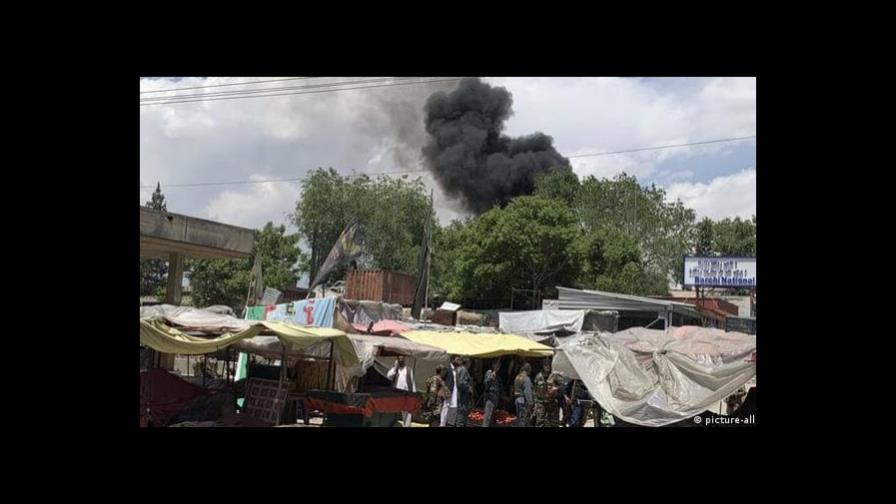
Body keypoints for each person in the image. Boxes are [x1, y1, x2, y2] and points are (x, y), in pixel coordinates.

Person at [386, 355, 416, 427]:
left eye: (402, 359)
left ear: (404, 360)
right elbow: (388, 376)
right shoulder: (395, 370)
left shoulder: (409, 370)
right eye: (399, 359)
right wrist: (395, 367)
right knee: (394, 411)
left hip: (406, 394)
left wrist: (414, 395)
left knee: (407, 413)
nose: (401, 361)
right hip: (396, 394)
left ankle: (407, 426)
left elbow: (412, 382)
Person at [533, 360, 564, 427]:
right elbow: (535, 390)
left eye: (549, 365)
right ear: (543, 366)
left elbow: (563, 385)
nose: (547, 367)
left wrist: (556, 388)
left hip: (552, 402)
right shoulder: (538, 376)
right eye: (546, 365)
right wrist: (535, 403)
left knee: (554, 421)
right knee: (540, 421)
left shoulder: (554, 375)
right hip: (541, 402)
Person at [454, 357, 474, 427]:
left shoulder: (460, 369)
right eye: (470, 362)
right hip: (463, 396)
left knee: (461, 413)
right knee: (461, 414)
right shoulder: (463, 370)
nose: (471, 364)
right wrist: (469, 388)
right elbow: (462, 382)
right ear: (467, 363)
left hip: (461, 395)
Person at [440, 355, 459, 427]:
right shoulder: (447, 368)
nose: (458, 361)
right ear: (452, 360)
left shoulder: (457, 370)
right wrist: (445, 389)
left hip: (455, 393)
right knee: (446, 410)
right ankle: (442, 424)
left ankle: (450, 424)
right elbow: (441, 379)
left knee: (453, 409)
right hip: (448, 392)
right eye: (457, 360)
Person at [482, 359, 502, 427]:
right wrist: (491, 377)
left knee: (492, 418)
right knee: (487, 417)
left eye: (499, 365)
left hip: (495, 398)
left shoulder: (498, 375)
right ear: (493, 365)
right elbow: (485, 384)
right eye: (497, 364)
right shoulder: (489, 372)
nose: (498, 366)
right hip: (489, 398)